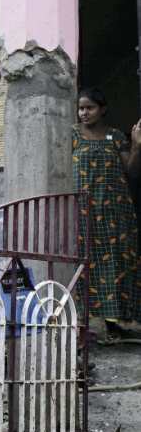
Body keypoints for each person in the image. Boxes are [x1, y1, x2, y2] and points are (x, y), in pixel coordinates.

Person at [73, 87, 141, 336]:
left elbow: (131, 171)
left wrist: (136, 145)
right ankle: (83, 325)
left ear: (102, 110)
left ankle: (115, 324)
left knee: (117, 263)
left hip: (116, 212)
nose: (84, 113)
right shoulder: (72, 135)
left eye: (89, 108)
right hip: (83, 212)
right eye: (81, 108)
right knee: (84, 263)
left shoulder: (115, 136)